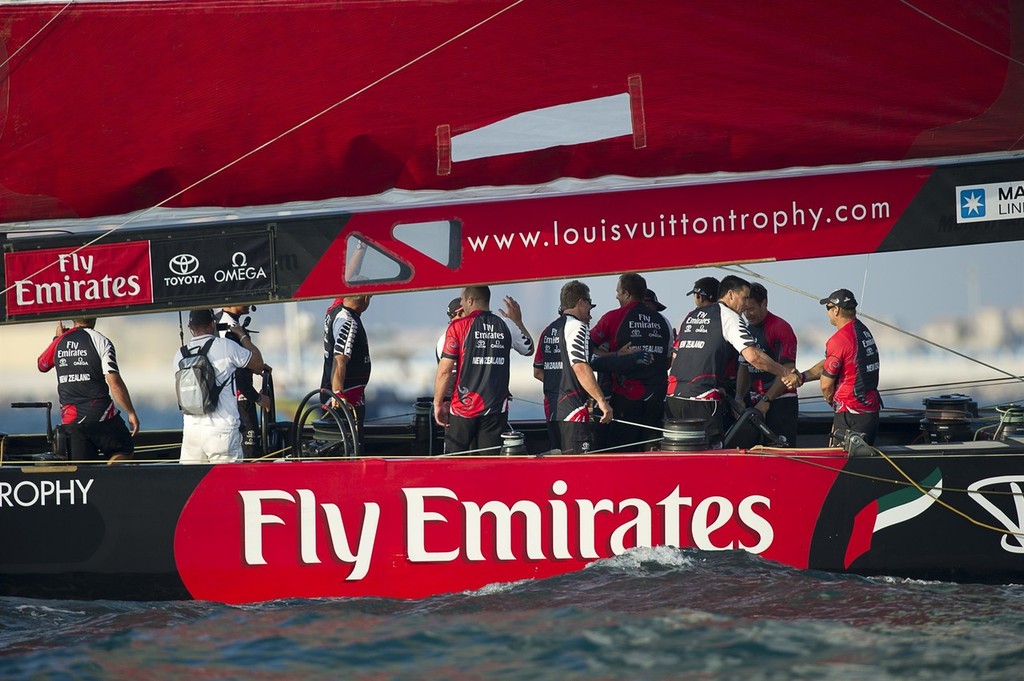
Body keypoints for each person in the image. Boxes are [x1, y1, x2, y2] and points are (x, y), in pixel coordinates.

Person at [667, 275, 800, 448]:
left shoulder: (692, 315)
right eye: (744, 298)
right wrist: (785, 373)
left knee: (680, 451)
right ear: (730, 294)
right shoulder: (729, 316)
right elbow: (753, 356)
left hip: (674, 397)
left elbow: (676, 356)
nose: (745, 306)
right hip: (703, 399)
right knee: (711, 456)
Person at [433, 286, 534, 454]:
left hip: (462, 409)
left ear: (470, 301)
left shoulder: (457, 327)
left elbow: (444, 372)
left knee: (453, 464)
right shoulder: (506, 325)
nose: (463, 305)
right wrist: (518, 322)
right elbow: (528, 348)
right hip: (495, 409)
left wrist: (438, 403)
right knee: (489, 466)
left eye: (463, 301)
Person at [37, 317, 140, 463]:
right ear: (95, 316)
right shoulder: (101, 341)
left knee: (83, 470)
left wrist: (57, 338)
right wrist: (131, 412)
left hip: (72, 420)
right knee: (124, 450)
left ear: (73, 319)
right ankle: (110, 478)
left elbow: (42, 365)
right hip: (101, 415)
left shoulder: (59, 341)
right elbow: (114, 383)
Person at [590, 272, 673, 451]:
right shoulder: (664, 321)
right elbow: (667, 362)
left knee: (622, 454)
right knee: (651, 454)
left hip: (625, 400)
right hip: (656, 399)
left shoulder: (612, 317)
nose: (616, 296)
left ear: (626, 294)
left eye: (618, 292)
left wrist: (616, 355)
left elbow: (585, 352)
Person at [174, 308, 265, 464]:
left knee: (193, 485)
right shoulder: (226, 346)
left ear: (190, 327)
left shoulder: (179, 354)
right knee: (229, 484)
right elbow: (258, 364)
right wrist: (241, 335)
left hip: (192, 432)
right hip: (222, 431)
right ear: (213, 324)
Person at [795, 288, 881, 445]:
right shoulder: (862, 330)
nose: (827, 312)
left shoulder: (839, 339)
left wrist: (831, 400)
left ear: (836, 310)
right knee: (864, 460)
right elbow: (833, 362)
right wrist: (803, 376)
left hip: (850, 412)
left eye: (828, 308)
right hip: (869, 409)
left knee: (842, 462)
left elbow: (826, 385)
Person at [550, 281, 614, 453]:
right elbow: (580, 366)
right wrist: (601, 401)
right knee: (577, 470)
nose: (590, 313)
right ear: (580, 302)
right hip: (575, 412)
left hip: (553, 412)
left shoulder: (549, 330)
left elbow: (539, 371)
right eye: (589, 306)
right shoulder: (578, 326)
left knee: (558, 466)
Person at [734, 283, 799, 446]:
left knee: (781, 451)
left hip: (780, 400)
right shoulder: (746, 329)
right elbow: (744, 366)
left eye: (751, 309)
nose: (747, 314)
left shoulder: (780, 328)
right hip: (757, 400)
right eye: (744, 310)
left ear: (764, 303)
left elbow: (788, 371)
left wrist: (766, 401)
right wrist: (740, 397)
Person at [215, 305, 272, 457]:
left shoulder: (221, 321)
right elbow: (235, 372)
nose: (250, 304)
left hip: (232, 400)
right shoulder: (227, 328)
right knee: (249, 453)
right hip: (239, 401)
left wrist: (252, 368)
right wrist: (258, 398)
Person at [320, 294, 373, 435]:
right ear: (366, 298)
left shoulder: (336, 308)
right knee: (352, 445)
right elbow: (340, 359)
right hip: (345, 400)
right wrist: (338, 394)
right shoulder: (348, 321)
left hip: (346, 396)